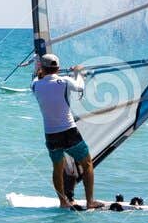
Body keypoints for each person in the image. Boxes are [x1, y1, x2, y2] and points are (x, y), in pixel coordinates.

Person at [31, 53, 98, 210]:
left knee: (57, 168)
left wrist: (39, 69)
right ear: (58, 68)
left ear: (42, 68)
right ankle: (90, 202)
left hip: (51, 135)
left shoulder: (35, 85)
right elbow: (80, 86)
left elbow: (38, 77)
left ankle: (62, 202)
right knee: (87, 164)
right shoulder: (66, 81)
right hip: (69, 132)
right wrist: (78, 72)